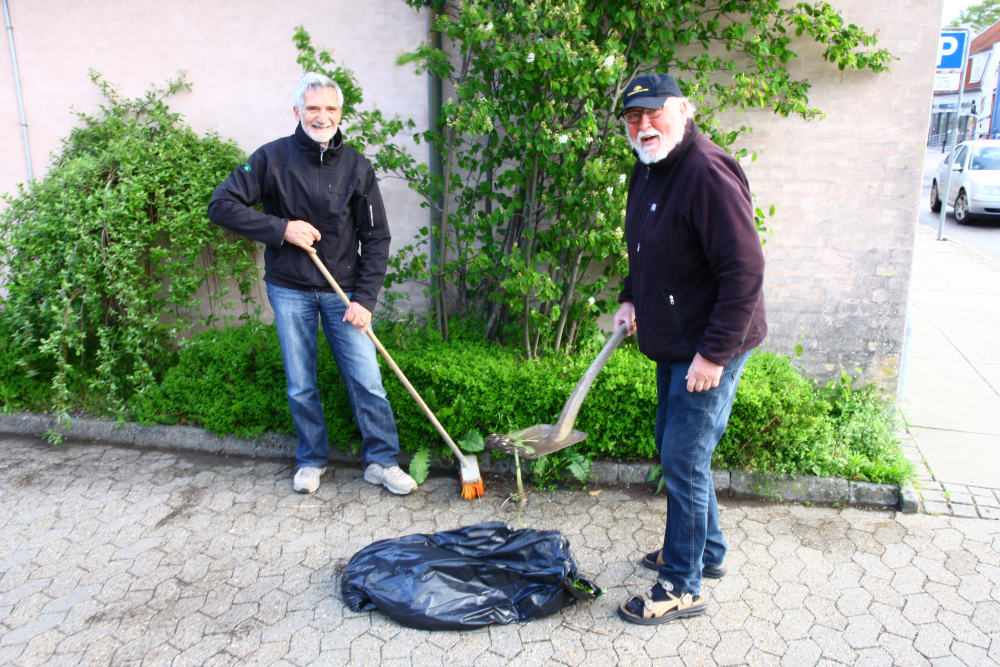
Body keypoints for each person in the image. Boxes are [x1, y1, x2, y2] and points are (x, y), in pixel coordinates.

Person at [208, 72, 417, 496]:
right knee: (301, 382)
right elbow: (221, 205)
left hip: (345, 292)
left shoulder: (357, 166)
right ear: (297, 112)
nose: (322, 117)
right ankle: (311, 459)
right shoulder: (270, 159)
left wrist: (365, 299)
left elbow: (376, 237)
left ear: (340, 113)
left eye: (330, 109)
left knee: (367, 379)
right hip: (290, 289)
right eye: (313, 108)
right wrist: (281, 228)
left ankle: (381, 461)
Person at [612, 73, 767, 625]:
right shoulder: (648, 166)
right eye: (633, 117)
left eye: (654, 112)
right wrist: (630, 297)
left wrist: (714, 355)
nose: (644, 125)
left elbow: (744, 270)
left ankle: (682, 584)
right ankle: (708, 551)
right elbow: (642, 245)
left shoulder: (706, 171)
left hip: (709, 343)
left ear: (682, 109)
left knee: (684, 456)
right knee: (675, 448)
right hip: (675, 338)